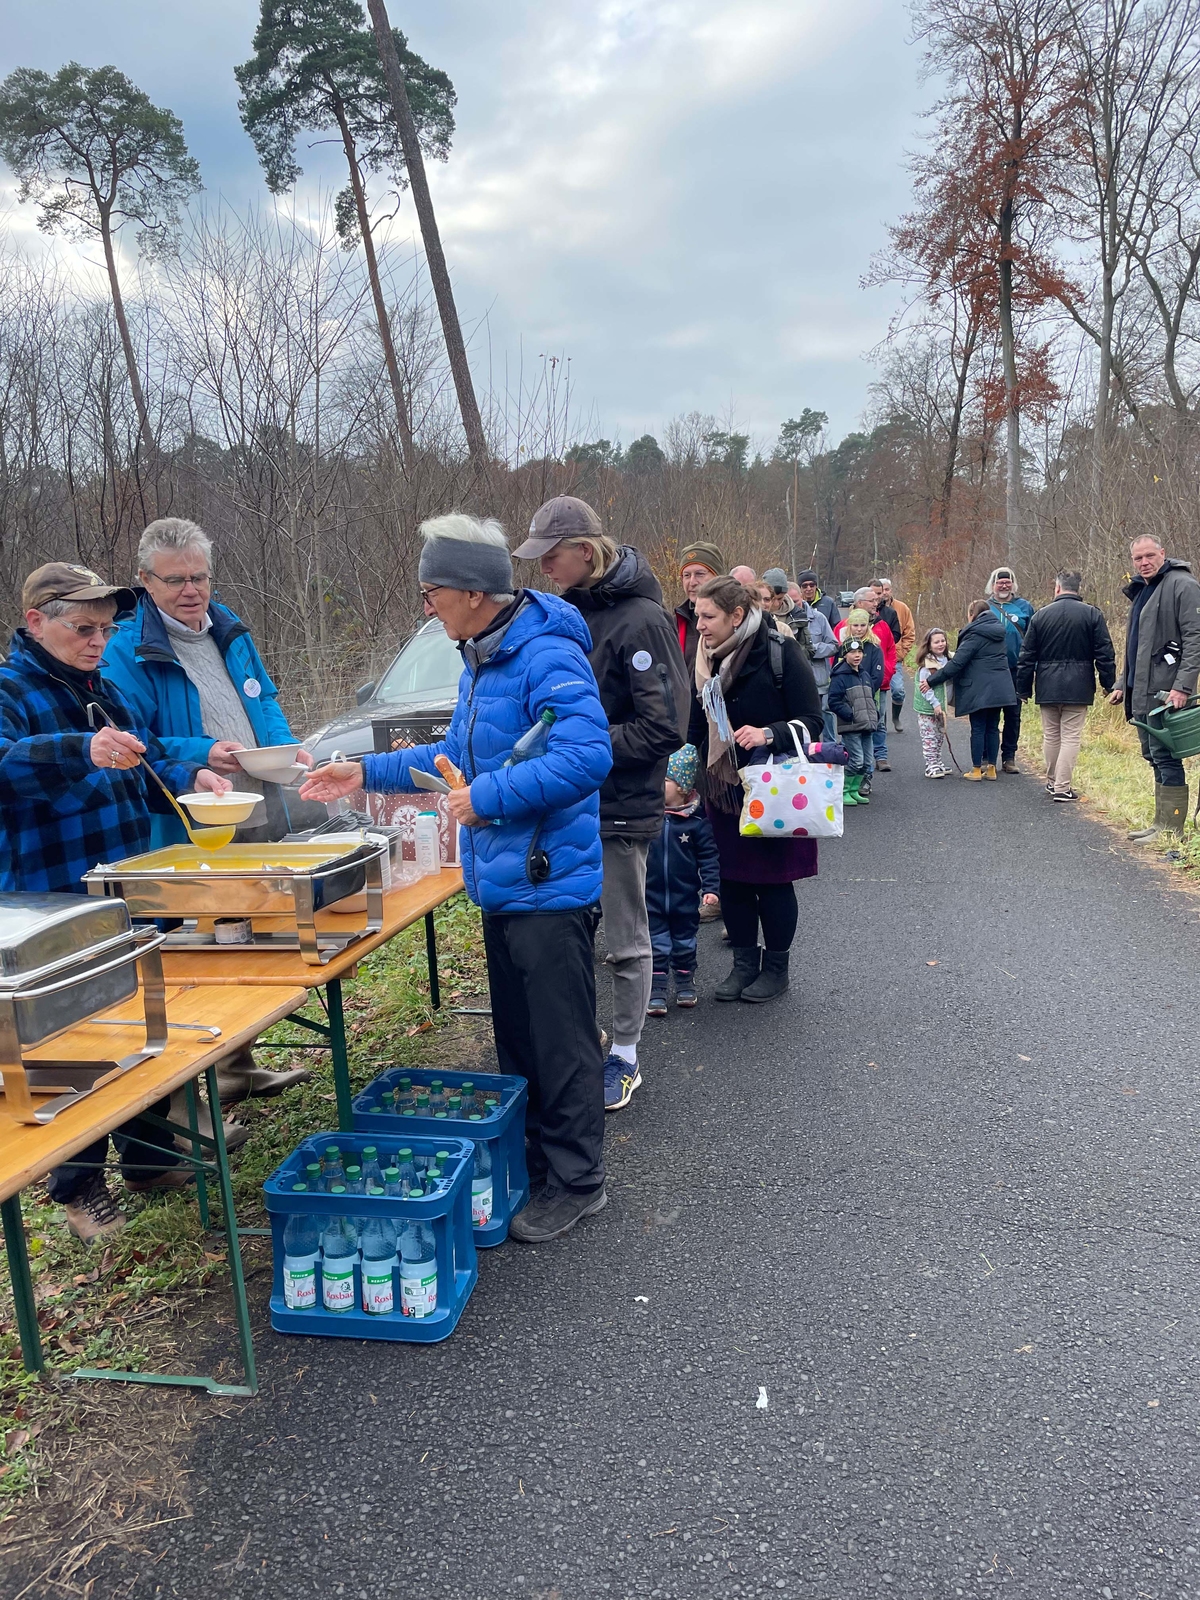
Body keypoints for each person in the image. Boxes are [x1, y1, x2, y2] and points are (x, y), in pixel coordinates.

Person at [301, 514, 614, 1244]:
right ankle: (537, 1162)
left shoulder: (544, 654)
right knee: (520, 1040)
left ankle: (578, 1180)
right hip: (506, 885)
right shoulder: (482, 655)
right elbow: (459, 754)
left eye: (431, 590)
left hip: (550, 885)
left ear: (474, 592)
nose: (426, 605)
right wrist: (364, 771)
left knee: (560, 1043)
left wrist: (490, 800)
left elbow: (587, 757)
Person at [0, 563, 231, 1244]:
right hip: (54, 902)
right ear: (37, 623)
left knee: (138, 1020)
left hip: (123, 885)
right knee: (74, 1040)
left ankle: (151, 1159)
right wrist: (80, 748)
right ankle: (77, 1187)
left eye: (105, 628)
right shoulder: (11, 689)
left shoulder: (101, 689)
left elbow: (149, 753)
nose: (98, 640)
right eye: (82, 628)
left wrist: (195, 773)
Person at [103, 517, 314, 1104]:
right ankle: (196, 1081)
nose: (191, 590)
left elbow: (262, 701)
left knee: (250, 935)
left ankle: (239, 1064)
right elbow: (134, 737)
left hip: (258, 799)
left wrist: (286, 746)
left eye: (200, 576)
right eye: (174, 580)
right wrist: (202, 752)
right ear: (145, 581)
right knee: (201, 947)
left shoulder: (229, 629)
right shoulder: (128, 649)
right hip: (192, 817)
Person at [514, 495, 688, 1114]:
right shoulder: (565, 613)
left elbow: (666, 725)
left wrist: (582, 749)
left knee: (623, 935)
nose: (543, 569)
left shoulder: (643, 620)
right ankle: (584, 1043)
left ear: (585, 552)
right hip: (565, 802)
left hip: (619, 802)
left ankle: (627, 1055)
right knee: (572, 935)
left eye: (551, 556)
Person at [687, 575, 823, 1002]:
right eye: (697, 616)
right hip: (724, 789)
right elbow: (696, 725)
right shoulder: (705, 659)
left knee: (774, 883)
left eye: (709, 616)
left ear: (737, 615)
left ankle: (776, 969)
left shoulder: (781, 653)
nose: (700, 626)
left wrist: (770, 733)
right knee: (732, 880)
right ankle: (743, 965)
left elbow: (813, 722)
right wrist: (686, 776)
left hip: (775, 789)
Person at [1106, 535, 1200, 840]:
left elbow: (1194, 640)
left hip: (1166, 693)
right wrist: (1122, 682)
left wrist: (1182, 686)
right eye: (1138, 558)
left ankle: (1172, 830)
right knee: (1153, 755)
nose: (1144, 562)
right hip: (1141, 691)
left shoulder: (1182, 585)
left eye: (1149, 556)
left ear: (1163, 553)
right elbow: (1137, 645)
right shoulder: (1145, 589)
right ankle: (1161, 824)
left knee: (1166, 756)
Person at [1014, 571, 1115, 803]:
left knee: (1051, 736)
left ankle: (1052, 781)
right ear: (1078, 588)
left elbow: (1026, 656)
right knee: (1070, 737)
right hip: (1079, 685)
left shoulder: (1041, 616)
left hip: (1047, 684)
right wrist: (1108, 684)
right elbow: (1105, 653)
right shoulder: (1092, 614)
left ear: (1057, 588)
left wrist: (1023, 688)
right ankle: (1062, 786)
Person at [645, 745, 720, 1014]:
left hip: (684, 897)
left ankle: (686, 982)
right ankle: (657, 990)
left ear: (682, 788)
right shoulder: (648, 820)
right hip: (650, 897)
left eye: (665, 780)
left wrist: (711, 888)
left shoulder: (696, 824)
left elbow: (709, 859)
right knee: (656, 943)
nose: (658, 785)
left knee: (684, 942)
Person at [926, 599, 1016, 780]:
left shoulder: (974, 634)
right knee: (992, 728)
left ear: (972, 615)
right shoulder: (999, 632)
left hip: (978, 688)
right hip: (999, 687)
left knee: (978, 728)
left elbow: (958, 663)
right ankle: (991, 769)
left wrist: (932, 680)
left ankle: (975, 770)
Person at [836, 588, 896, 769]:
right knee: (852, 730)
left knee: (876, 723)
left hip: (875, 689)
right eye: (872, 600)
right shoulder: (842, 628)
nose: (876, 602)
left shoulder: (881, 628)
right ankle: (851, 771)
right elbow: (836, 663)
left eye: (863, 626)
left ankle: (879, 758)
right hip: (849, 694)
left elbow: (890, 651)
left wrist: (887, 673)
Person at [986, 567, 1035, 773]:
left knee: (1013, 714)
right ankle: (988, 758)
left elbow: (1034, 638)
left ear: (1013, 584)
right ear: (993, 585)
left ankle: (1009, 757)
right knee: (991, 714)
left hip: (1017, 670)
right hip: (991, 670)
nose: (1004, 585)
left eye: (1007, 582)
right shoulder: (986, 607)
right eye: (1000, 582)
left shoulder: (1024, 607)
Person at [827, 638, 877, 805]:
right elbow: (833, 701)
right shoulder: (839, 676)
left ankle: (854, 790)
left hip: (867, 724)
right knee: (856, 760)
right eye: (852, 652)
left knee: (867, 761)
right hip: (851, 725)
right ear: (844, 654)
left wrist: (874, 714)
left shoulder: (864, 674)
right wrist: (850, 714)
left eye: (859, 652)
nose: (857, 656)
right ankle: (844, 790)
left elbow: (869, 698)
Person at [675, 540, 725, 674]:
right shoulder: (676, 622)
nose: (692, 582)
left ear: (717, 577)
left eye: (699, 574)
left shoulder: (735, 619)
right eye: (686, 575)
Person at [877, 579, 916, 731]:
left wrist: (901, 652)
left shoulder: (901, 608)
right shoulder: (870, 607)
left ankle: (896, 717)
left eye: (887, 589)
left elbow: (909, 632)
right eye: (881, 590)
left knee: (898, 690)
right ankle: (881, 723)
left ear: (891, 590)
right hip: (876, 659)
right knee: (879, 693)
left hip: (894, 658)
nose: (884, 593)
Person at [913, 628, 952, 777]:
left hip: (941, 708)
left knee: (939, 736)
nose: (941, 644)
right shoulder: (927, 665)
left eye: (943, 641)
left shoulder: (948, 660)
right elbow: (925, 688)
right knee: (929, 738)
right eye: (936, 642)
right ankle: (930, 765)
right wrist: (935, 703)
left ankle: (937, 762)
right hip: (928, 709)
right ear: (929, 645)